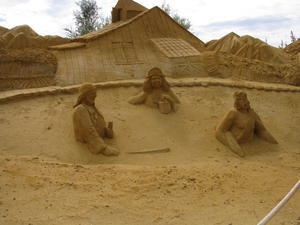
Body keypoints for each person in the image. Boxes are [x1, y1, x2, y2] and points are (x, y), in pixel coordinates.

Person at [215, 90, 278, 157]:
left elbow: (262, 131)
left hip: (251, 145)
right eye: (239, 99)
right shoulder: (233, 113)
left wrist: (274, 142)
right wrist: (235, 147)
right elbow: (219, 131)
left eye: (244, 99)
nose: (243, 102)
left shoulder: (251, 113)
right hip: (236, 141)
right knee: (227, 134)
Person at [73, 82, 119, 156]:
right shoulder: (80, 109)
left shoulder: (93, 108)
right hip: (95, 143)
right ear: (85, 95)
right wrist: (103, 148)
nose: (95, 95)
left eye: (95, 94)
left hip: (101, 140)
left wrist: (107, 131)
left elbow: (99, 124)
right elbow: (89, 130)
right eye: (92, 94)